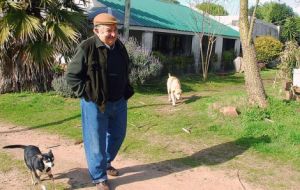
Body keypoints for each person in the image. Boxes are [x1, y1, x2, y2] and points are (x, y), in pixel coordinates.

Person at [65, 13, 134, 190]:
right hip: (95, 104)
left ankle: (105, 162)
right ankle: (99, 177)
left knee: (118, 135)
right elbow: (72, 76)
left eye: (115, 30)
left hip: (119, 102)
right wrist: (86, 94)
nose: (113, 34)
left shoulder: (119, 46)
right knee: (95, 140)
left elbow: (125, 68)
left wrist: (126, 87)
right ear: (96, 31)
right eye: (108, 31)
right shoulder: (87, 47)